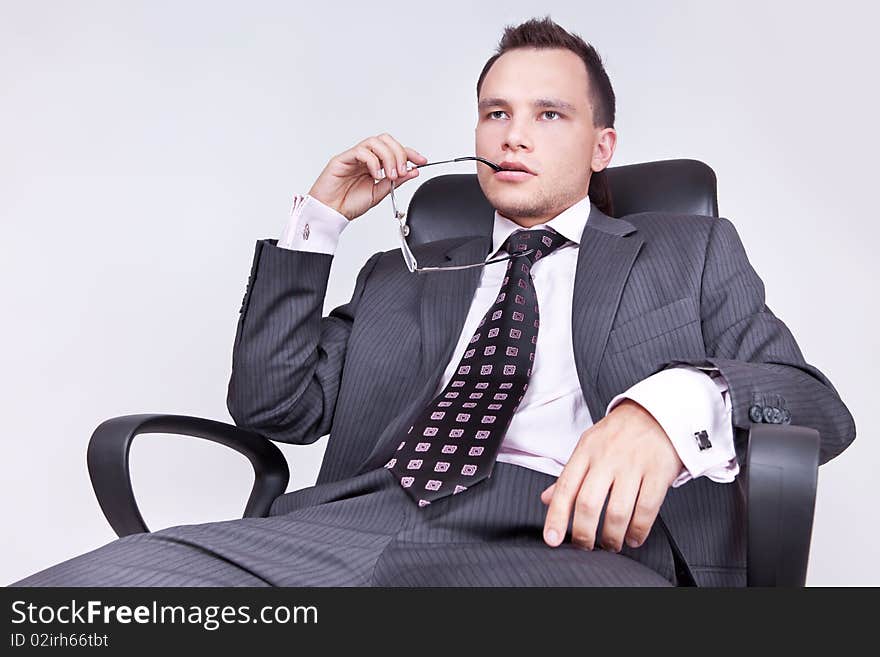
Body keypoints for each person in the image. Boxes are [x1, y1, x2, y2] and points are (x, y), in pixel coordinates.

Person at [10, 16, 855, 588]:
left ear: (602, 147)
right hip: (349, 525)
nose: (512, 134)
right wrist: (317, 226)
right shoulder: (406, 272)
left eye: (548, 114)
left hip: (570, 540)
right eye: (495, 112)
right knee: (77, 604)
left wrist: (669, 407)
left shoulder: (688, 251)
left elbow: (816, 403)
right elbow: (273, 405)